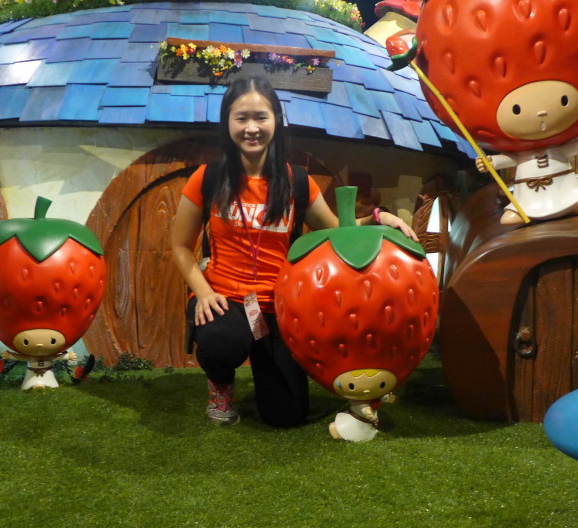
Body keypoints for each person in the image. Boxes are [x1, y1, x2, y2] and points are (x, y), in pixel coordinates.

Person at [170, 75, 417, 427]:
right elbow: (180, 247)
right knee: (220, 340)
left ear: (276, 121)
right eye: (241, 118)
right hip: (225, 300)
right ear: (227, 123)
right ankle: (220, 384)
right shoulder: (208, 178)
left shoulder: (297, 181)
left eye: (261, 117)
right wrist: (204, 293)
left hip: (281, 308)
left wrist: (380, 218)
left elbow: (334, 230)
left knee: (286, 416)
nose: (251, 128)